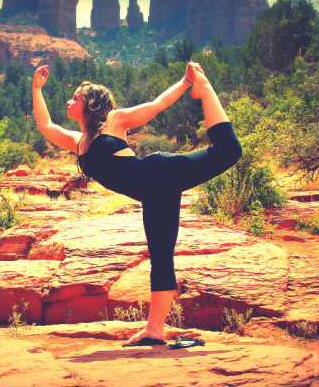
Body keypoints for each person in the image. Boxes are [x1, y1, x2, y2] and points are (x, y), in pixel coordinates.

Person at [32, 62, 242, 346]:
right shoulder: (79, 142)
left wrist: (186, 81)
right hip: (154, 195)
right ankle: (155, 330)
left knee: (229, 151)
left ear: (89, 104)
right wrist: (36, 89)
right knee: (161, 258)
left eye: (75, 98)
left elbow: (155, 105)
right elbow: (45, 126)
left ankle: (204, 89)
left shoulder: (114, 122)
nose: (69, 101)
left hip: (159, 172)